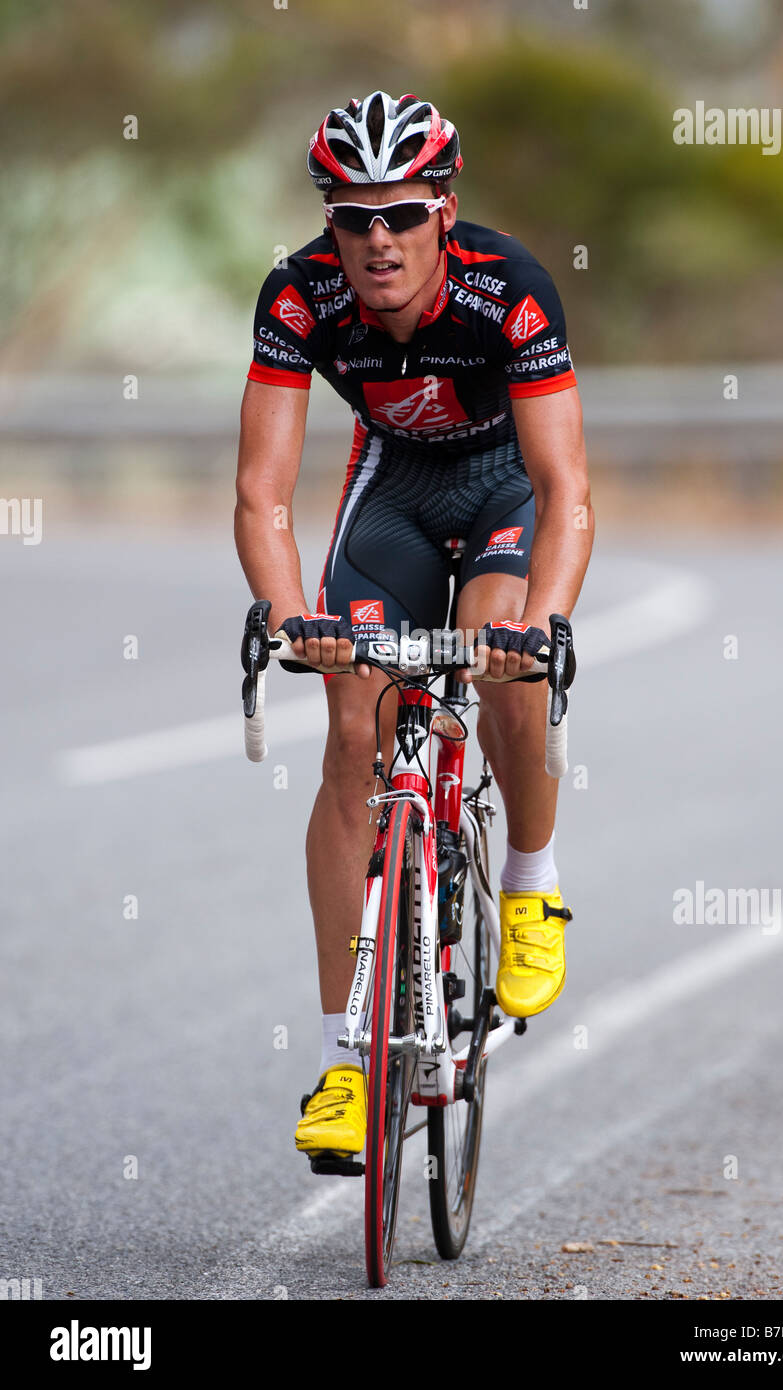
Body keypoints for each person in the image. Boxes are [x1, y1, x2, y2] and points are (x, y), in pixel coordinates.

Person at [234, 91, 594, 1161]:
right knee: (353, 736)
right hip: (390, 490)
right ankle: (351, 1058)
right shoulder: (298, 296)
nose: (376, 239)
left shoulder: (508, 288)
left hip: (500, 489)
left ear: (445, 207)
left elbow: (563, 484)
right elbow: (262, 493)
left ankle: (530, 886)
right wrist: (290, 614)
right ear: (328, 225)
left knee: (499, 665)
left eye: (399, 212)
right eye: (351, 217)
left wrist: (545, 621)